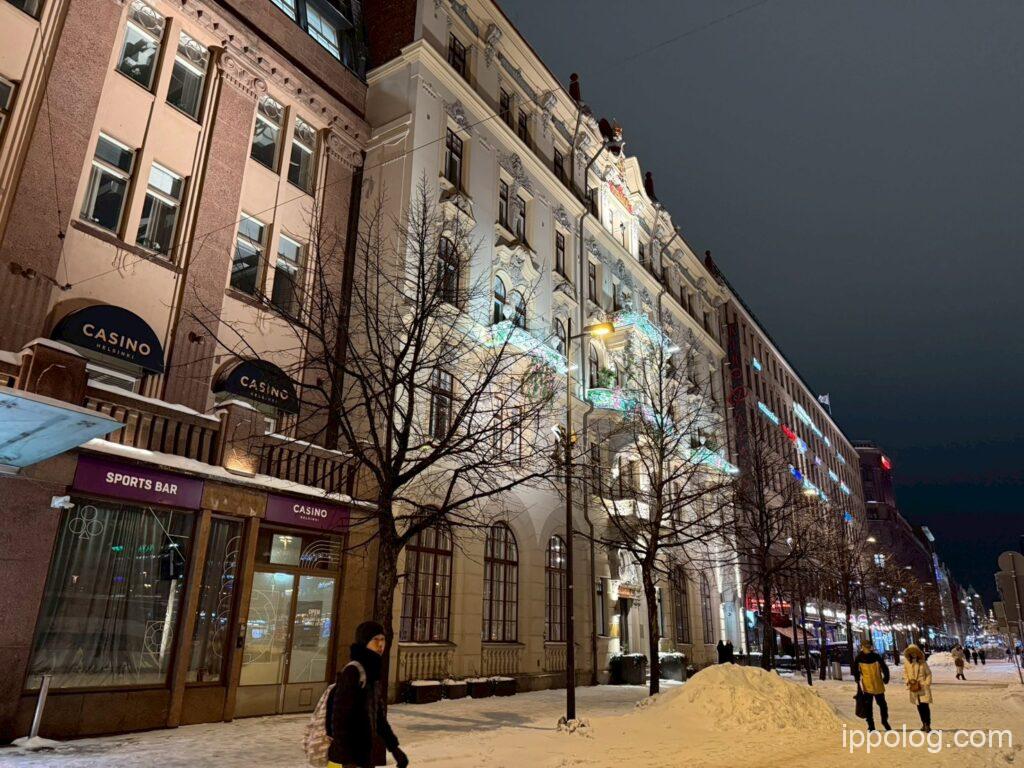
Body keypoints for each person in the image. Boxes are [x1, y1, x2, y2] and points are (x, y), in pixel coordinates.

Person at [328, 621, 409, 768]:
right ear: (364, 642)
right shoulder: (353, 671)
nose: (380, 644)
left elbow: (378, 717)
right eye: (375, 640)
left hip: (363, 754)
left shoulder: (372, 672)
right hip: (348, 757)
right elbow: (339, 717)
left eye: (382, 639)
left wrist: (395, 749)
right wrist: (347, 760)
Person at [853, 639, 891, 731]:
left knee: (882, 705)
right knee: (869, 706)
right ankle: (871, 724)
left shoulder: (874, 656)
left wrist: (886, 677)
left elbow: (884, 668)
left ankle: (883, 721)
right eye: (866, 647)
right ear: (862, 647)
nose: (868, 648)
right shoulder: (860, 658)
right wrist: (857, 677)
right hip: (868, 686)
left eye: (868, 646)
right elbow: (855, 670)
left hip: (876, 685)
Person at [903, 644, 933, 732]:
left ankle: (927, 724)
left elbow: (928, 673)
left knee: (925, 706)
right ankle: (923, 723)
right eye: (911, 652)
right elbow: (905, 674)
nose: (913, 654)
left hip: (923, 687)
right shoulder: (907, 663)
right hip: (913, 687)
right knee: (919, 706)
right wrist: (908, 681)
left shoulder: (923, 663)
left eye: (915, 652)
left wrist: (927, 683)